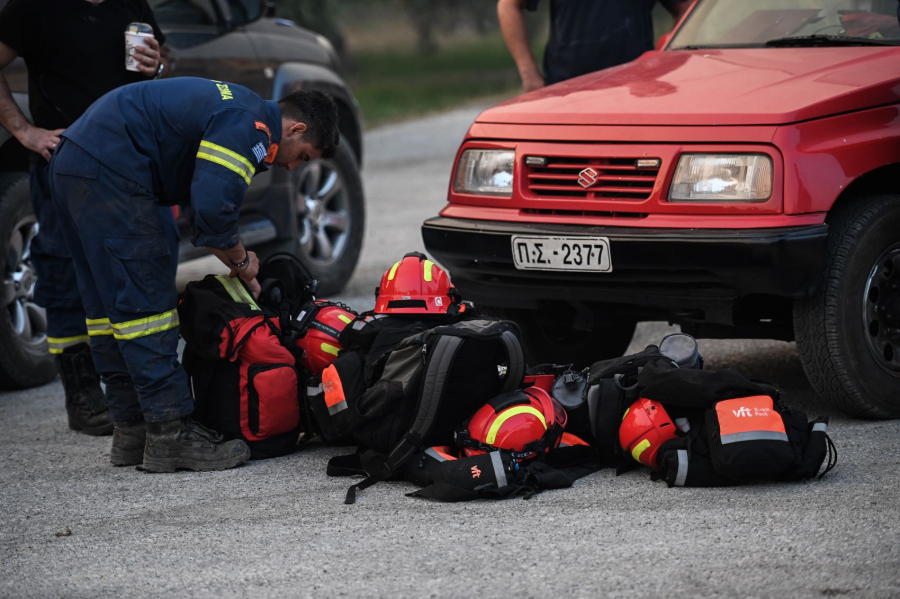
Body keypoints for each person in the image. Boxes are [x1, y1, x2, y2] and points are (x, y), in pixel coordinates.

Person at [47, 78, 339, 471]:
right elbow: (213, 215)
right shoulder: (250, 125)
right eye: (302, 156)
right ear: (296, 129)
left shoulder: (239, 107)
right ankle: (170, 435)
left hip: (76, 164)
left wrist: (235, 260)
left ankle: (132, 429)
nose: (291, 166)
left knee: (108, 310)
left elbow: (202, 210)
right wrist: (242, 263)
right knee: (147, 311)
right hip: (112, 172)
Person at [0, 0, 166, 436]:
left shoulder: (131, 3)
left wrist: (158, 65)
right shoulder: (31, 9)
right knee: (64, 276)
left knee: (131, 274)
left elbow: (162, 61)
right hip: (65, 160)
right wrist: (24, 133)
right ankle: (83, 397)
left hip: (131, 163)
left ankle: (136, 397)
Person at [497, 0, 693, 92]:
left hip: (635, 90)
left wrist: (666, 56)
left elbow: (685, 6)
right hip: (566, 90)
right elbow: (508, 5)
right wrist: (528, 74)